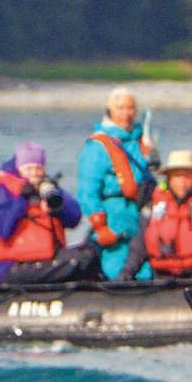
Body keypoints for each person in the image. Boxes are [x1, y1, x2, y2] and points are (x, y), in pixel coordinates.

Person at [77, 87, 157, 280]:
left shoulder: (142, 141)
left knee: (146, 269)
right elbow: (88, 190)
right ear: (110, 110)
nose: (126, 113)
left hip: (142, 216)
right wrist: (100, 226)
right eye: (120, 108)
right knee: (116, 270)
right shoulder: (98, 146)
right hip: (113, 219)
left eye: (130, 108)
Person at [0, 141, 87, 285]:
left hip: (45, 258)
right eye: (29, 168)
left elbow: (74, 220)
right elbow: (1, 229)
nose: (34, 173)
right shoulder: (3, 189)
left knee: (89, 255)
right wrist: (22, 198)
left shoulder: (47, 188)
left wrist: (57, 207)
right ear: (18, 168)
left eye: (39, 168)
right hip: (9, 266)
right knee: (77, 262)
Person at [120, 149, 192, 280]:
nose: (182, 182)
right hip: (162, 276)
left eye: (187, 176)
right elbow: (139, 245)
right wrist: (127, 272)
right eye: (177, 176)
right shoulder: (153, 206)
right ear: (169, 178)